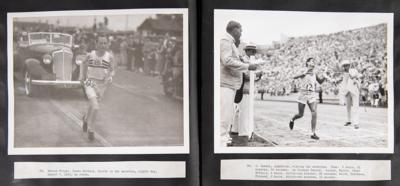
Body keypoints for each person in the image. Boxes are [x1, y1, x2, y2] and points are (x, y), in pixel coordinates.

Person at [220, 21, 257, 146]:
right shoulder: (226, 41)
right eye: (240, 30)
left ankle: (224, 138)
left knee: (229, 113)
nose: (241, 33)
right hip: (226, 83)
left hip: (231, 84)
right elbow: (227, 60)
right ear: (234, 29)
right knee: (225, 115)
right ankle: (222, 140)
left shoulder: (229, 42)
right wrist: (248, 66)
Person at [80, 35, 114, 141]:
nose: (103, 45)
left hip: (102, 84)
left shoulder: (110, 56)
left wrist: (111, 76)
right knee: (95, 107)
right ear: (96, 44)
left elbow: (112, 69)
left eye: (105, 43)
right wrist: (82, 76)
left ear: (107, 44)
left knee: (93, 105)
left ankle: (85, 119)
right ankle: (91, 129)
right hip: (90, 82)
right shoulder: (91, 55)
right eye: (101, 43)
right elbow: (82, 63)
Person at [289, 58, 331, 140]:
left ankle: (313, 133)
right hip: (303, 94)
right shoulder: (303, 70)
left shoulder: (314, 73)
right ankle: (292, 119)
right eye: (312, 61)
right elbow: (294, 77)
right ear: (308, 63)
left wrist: (325, 76)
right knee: (300, 114)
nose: (314, 62)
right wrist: (304, 73)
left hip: (312, 94)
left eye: (314, 61)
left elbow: (321, 81)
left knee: (314, 112)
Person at [230, 44, 263, 146]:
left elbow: (252, 79)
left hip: (243, 88)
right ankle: (244, 132)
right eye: (252, 51)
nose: (254, 53)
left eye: (254, 51)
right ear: (247, 51)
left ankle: (235, 129)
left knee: (239, 111)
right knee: (245, 111)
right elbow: (246, 76)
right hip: (244, 89)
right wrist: (258, 73)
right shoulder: (244, 61)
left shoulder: (247, 61)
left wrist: (257, 75)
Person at [336, 60, 361, 129]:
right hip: (347, 91)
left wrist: (352, 76)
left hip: (354, 90)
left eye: (346, 65)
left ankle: (356, 123)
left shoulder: (353, 70)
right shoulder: (343, 73)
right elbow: (343, 82)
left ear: (349, 65)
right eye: (344, 66)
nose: (345, 67)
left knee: (355, 107)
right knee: (348, 107)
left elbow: (355, 76)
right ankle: (349, 120)